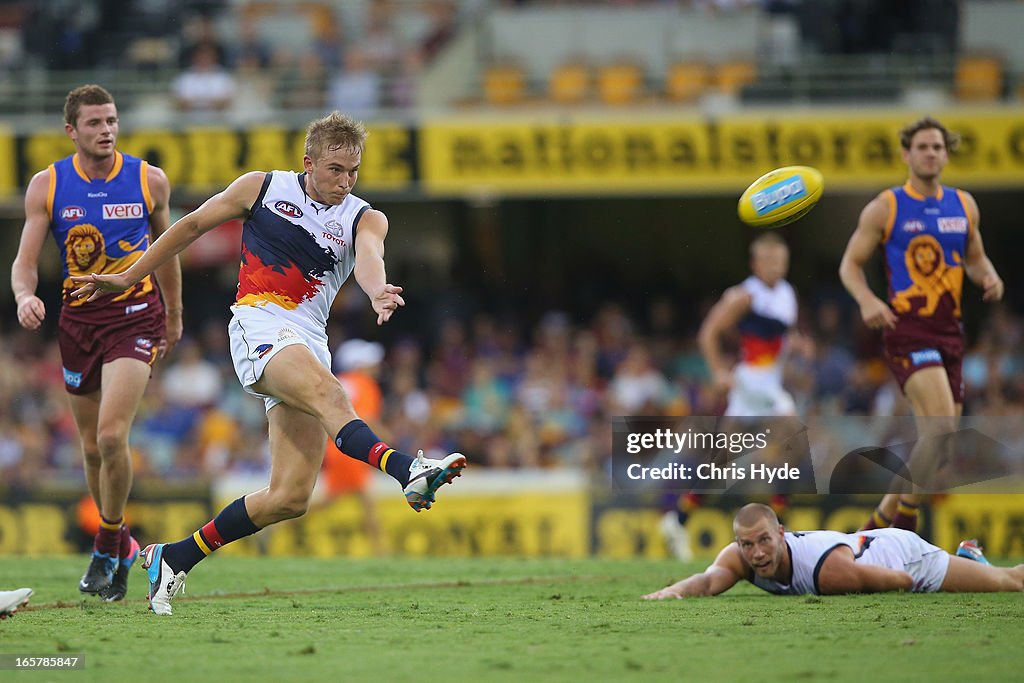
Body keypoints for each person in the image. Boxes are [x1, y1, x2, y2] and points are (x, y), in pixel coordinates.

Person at [71, 111, 467, 616]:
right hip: (258, 324)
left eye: (353, 172)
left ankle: (173, 557)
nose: (345, 182)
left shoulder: (365, 217)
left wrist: (376, 292)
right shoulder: (261, 187)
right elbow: (190, 226)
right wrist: (129, 278)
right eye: (334, 170)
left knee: (289, 497)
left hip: (308, 340)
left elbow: (370, 258)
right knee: (332, 395)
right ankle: (408, 469)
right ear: (308, 163)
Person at [11, 84, 182, 602]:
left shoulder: (148, 180)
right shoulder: (49, 185)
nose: (106, 129)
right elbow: (24, 261)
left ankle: (107, 541)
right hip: (78, 322)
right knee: (88, 447)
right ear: (72, 130)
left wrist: (173, 315)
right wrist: (24, 296)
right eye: (94, 123)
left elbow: (170, 249)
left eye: (111, 120)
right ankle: (123, 543)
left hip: (135, 316)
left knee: (111, 437)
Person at [839, 116, 1004, 532]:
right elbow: (850, 265)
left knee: (939, 449)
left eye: (937, 147)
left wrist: (989, 275)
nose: (931, 153)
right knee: (941, 428)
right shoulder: (886, 207)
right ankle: (906, 523)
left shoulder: (964, 205)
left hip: (951, 332)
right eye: (923, 146)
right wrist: (867, 300)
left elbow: (974, 256)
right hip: (908, 329)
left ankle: (876, 524)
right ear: (906, 154)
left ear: (946, 154)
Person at [660, 233, 799, 561]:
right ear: (755, 264)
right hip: (752, 382)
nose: (776, 267)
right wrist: (717, 370)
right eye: (769, 261)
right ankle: (782, 531)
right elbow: (708, 332)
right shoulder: (743, 296)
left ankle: (677, 519)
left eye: (781, 261)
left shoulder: (786, 294)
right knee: (792, 437)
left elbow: (781, 334)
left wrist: (799, 344)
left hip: (766, 383)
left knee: (723, 463)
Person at [643, 503, 1023, 599]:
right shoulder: (741, 558)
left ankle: (972, 565)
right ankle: (972, 560)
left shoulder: (827, 573)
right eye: (746, 545)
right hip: (861, 546)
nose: (756, 553)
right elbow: (708, 582)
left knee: (1009, 584)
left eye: (763, 541)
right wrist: (672, 592)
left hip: (903, 557)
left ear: (781, 533)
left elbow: (902, 580)